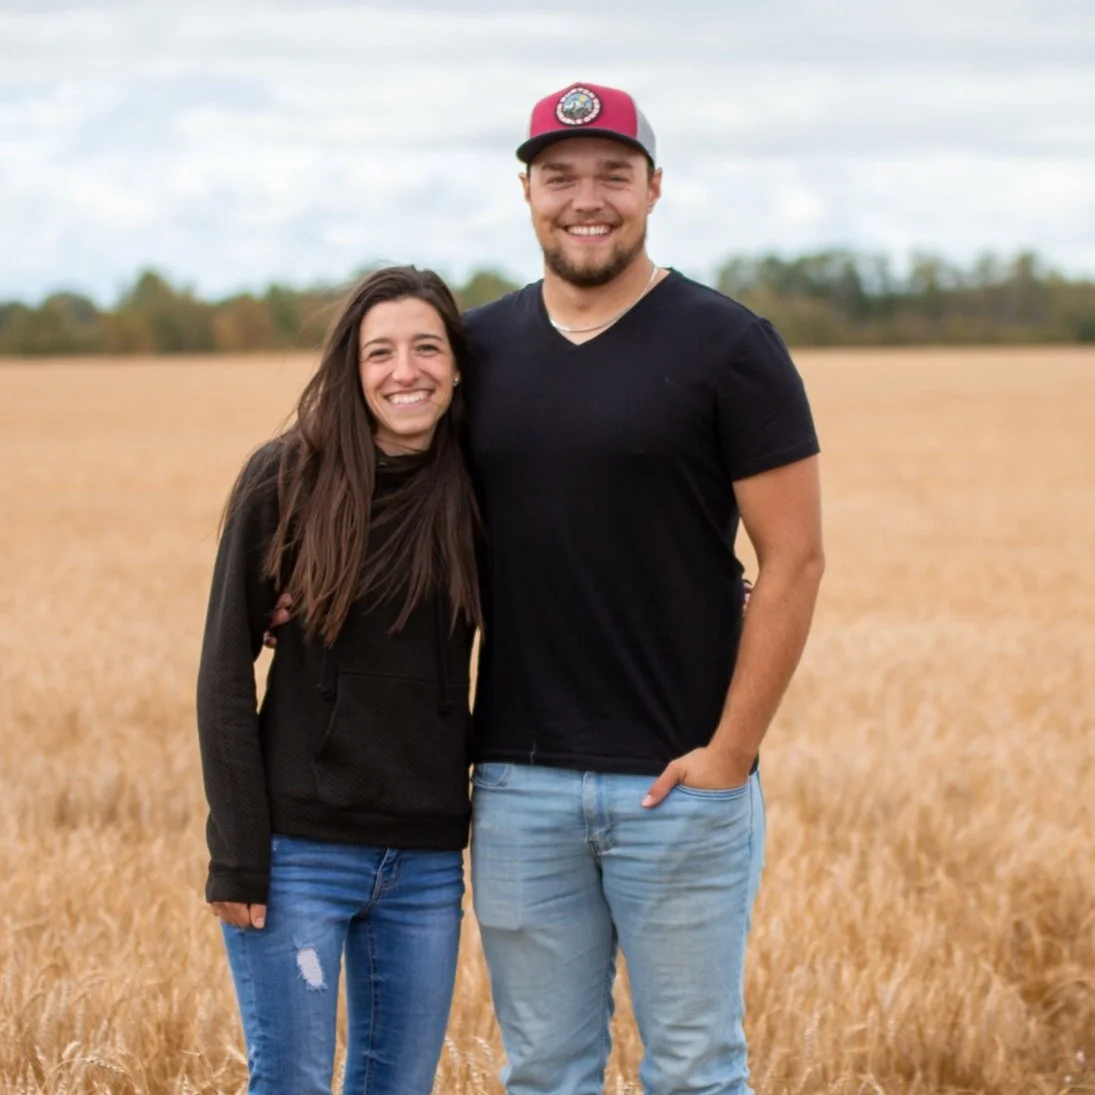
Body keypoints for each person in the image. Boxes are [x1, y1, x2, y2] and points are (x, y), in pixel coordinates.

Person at [461, 82, 825, 1094]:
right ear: (526, 192)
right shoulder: (475, 349)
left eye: (613, 175)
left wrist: (731, 755)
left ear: (654, 188)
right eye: (561, 176)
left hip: (682, 783)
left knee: (698, 1071)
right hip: (518, 785)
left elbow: (794, 560)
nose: (588, 199)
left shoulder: (729, 345)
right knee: (542, 1071)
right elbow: (394, 511)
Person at [195, 266, 482, 1095]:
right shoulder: (285, 479)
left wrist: (714, 581)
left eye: (427, 348)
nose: (405, 371)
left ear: (457, 364)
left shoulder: (477, 487)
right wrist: (238, 854)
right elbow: (223, 672)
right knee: (290, 1085)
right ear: (350, 370)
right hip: (297, 855)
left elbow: (584, 561)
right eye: (380, 352)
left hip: (426, 860)